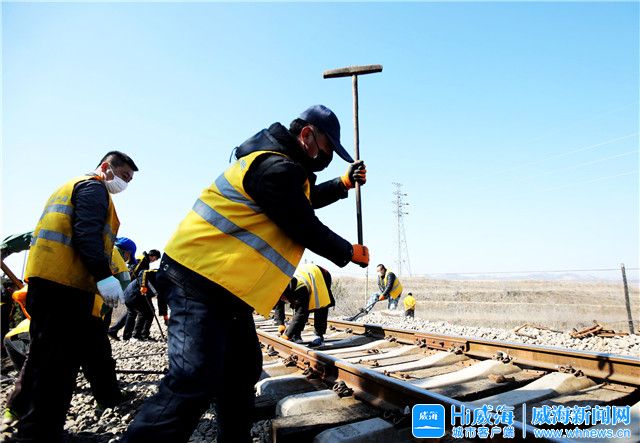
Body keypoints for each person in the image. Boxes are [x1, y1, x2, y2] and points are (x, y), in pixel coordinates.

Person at [123, 104, 369, 443]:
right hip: (197, 281)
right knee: (193, 378)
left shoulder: (281, 168)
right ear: (307, 135)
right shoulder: (273, 167)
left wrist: (342, 183)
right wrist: (348, 252)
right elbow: (303, 223)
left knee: (240, 372)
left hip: (225, 291)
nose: (326, 159)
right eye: (327, 149)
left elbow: (302, 200)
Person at [10, 150, 138, 443]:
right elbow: (87, 233)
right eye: (123, 176)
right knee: (59, 364)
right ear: (106, 167)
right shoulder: (93, 188)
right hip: (65, 285)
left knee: (43, 357)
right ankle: (42, 434)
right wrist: (103, 275)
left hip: (48, 281)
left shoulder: (70, 187)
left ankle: (28, 424)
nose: (124, 183)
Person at [273, 263, 334, 347]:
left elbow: (301, 313)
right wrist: (280, 323)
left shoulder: (301, 290)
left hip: (321, 275)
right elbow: (279, 304)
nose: (283, 300)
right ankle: (296, 335)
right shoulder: (282, 286)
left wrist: (287, 335)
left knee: (320, 304)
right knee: (300, 308)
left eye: (284, 298)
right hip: (306, 273)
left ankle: (319, 336)